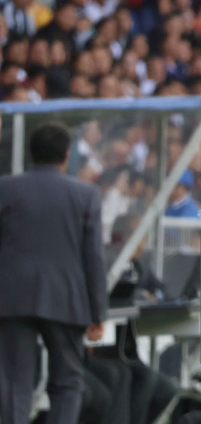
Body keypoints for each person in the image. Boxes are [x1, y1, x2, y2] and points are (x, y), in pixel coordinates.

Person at [0, 122, 107, 424]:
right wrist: (98, 311)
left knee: (13, 382)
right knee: (67, 382)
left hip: (12, 298)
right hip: (66, 298)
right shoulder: (86, 195)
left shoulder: (5, 188)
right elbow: (93, 258)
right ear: (66, 155)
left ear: (31, 154)